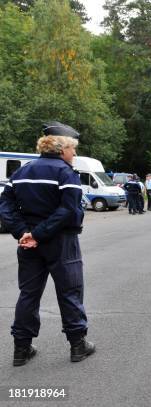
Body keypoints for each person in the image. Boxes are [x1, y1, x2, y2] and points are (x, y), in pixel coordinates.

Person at [0, 121, 95, 366]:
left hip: (29, 243)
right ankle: (78, 346)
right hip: (61, 242)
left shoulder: (21, 172)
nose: (74, 154)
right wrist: (39, 234)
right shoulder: (66, 174)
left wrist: (24, 232)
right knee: (70, 292)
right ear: (62, 148)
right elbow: (67, 209)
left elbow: (6, 206)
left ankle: (21, 349)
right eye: (73, 149)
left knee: (28, 294)